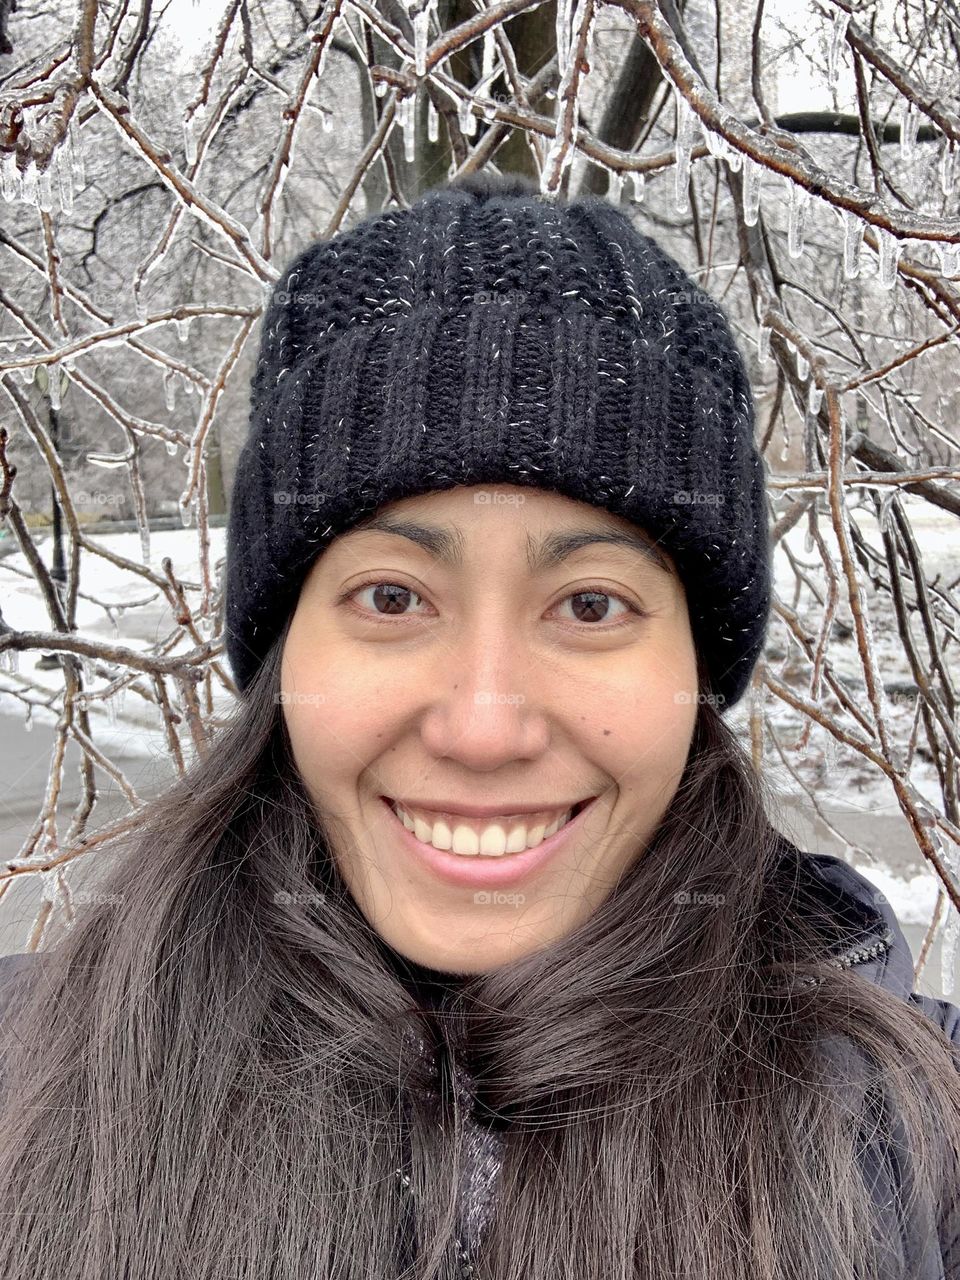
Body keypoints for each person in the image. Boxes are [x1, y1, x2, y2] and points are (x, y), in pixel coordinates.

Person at [0, 171, 958, 1280]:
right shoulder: (31, 1074)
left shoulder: (909, 1130)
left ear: (698, 663)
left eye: (591, 604)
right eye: (393, 598)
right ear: (283, 651)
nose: (484, 726)